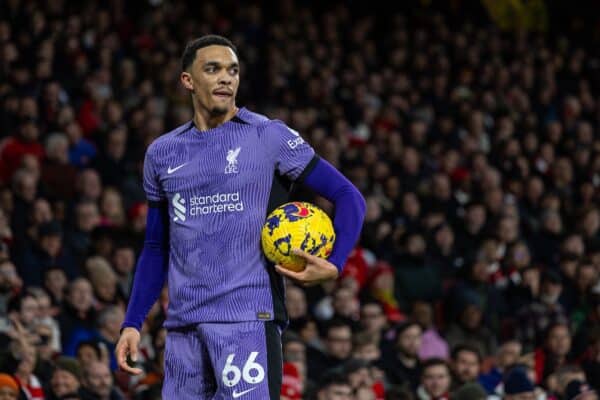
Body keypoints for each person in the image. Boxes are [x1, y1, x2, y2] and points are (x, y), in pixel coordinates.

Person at [115, 34, 366, 399]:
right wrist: (132, 322)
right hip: (184, 330)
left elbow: (349, 197)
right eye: (213, 69)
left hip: (247, 323)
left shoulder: (269, 136)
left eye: (232, 70)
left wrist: (336, 263)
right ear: (188, 80)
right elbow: (156, 247)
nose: (226, 79)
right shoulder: (162, 153)